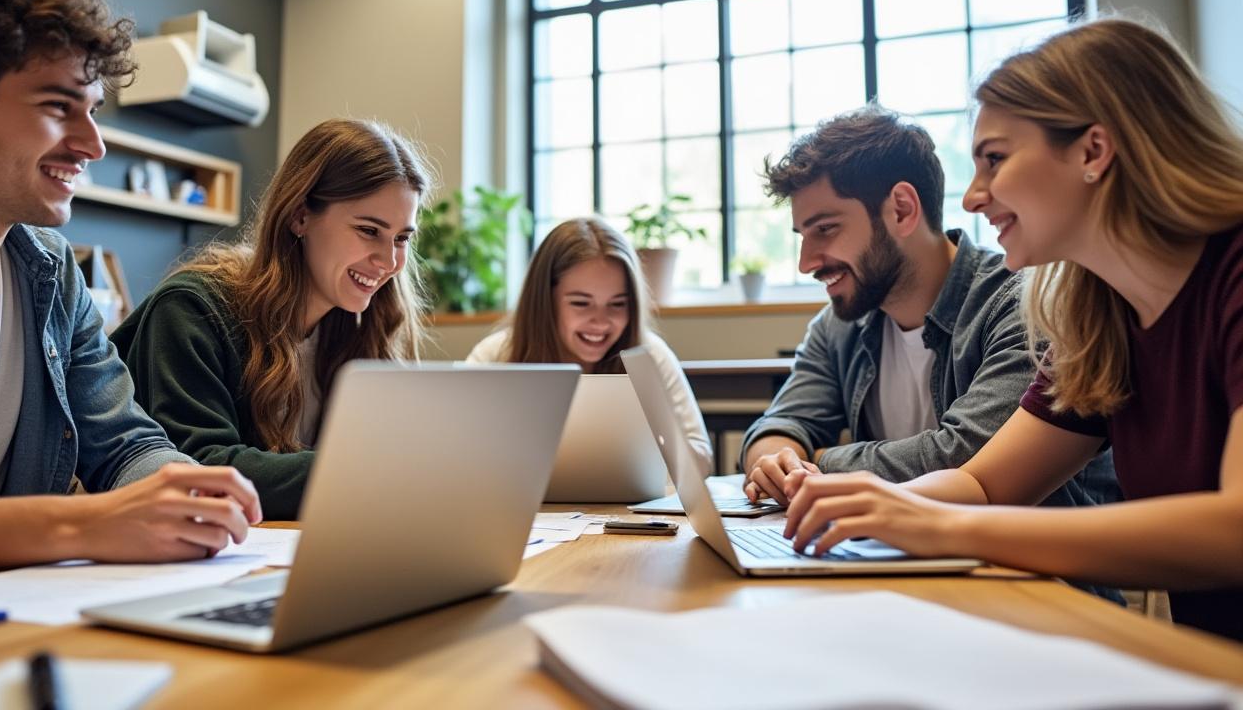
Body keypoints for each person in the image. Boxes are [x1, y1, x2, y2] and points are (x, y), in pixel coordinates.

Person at [779, 18, 1243, 642]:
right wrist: (882, 504)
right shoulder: (1098, 316)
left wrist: (934, 523)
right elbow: (981, 481)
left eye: (994, 159)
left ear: (1093, 152)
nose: (973, 198)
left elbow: (1235, 528)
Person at [0, 0, 261, 572]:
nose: (93, 145)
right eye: (57, 107)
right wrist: (83, 524)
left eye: (92, 111)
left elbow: (123, 443)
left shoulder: (50, 272)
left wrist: (182, 491)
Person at [741, 106, 1116, 511]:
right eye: (802, 235)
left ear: (902, 209)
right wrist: (775, 460)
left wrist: (817, 462)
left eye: (825, 229)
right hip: (899, 544)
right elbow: (780, 425)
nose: (806, 262)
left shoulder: (1022, 304)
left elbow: (962, 460)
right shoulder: (838, 325)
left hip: (1033, 551)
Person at [112, 118, 431, 519]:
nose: (389, 261)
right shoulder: (192, 309)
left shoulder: (358, 325)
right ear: (299, 216)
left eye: (402, 238)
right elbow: (200, 466)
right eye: (369, 230)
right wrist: (367, 473)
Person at [466, 217, 712, 468]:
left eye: (618, 304)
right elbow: (459, 450)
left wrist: (649, 442)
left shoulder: (650, 354)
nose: (601, 322)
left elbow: (702, 459)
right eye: (581, 303)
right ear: (544, 301)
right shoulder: (494, 356)